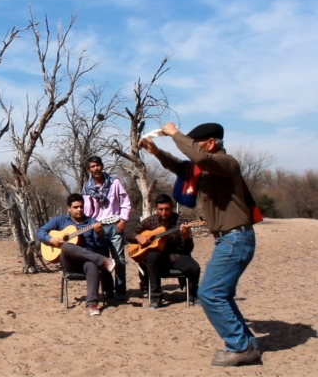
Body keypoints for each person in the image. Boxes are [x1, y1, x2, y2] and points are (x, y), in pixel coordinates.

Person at [140, 122, 262, 367]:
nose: (194, 147)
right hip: (229, 239)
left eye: (198, 143)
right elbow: (181, 166)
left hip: (235, 238)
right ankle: (247, 344)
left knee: (209, 294)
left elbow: (198, 157)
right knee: (221, 295)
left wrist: (175, 134)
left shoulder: (227, 163)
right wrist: (157, 153)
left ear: (211, 143)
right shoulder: (205, 170)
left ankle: (239, 347)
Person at [37, 193, 116, 316]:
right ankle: (103, 261)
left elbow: (101, 245)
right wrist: (51, 240)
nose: (79, 209)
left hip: (87, 260)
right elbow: (40, 232)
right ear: (69, 208)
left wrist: (99, 233)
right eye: (76, 207)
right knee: (67, 246)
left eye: (81, 207)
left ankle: (92, 304)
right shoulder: (60, 221)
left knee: (91, 265)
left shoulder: (92, 222)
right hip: (68, 261)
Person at [128, 193, 201, 309]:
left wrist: (185, 236)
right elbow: (129, 233)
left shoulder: (181, 221)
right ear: (156, 209)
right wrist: (138, 237)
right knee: (152, 257)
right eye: (160, 209)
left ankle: (193, 294)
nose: (163, 212)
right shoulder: (150, 221)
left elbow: (188, 249)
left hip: (176, 256)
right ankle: (156, 296)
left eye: (167, 209)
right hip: (158, 257)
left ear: (172, 208)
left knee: (194, 267)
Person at [81, 156, 132, 300]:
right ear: (89, 169)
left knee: (119, 260)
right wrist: (91, 227)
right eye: (92, 166)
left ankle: (121, 292)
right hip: (98, 228)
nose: (96, 169)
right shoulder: (86, 188)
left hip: (115, 226)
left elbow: (125, 203)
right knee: (103, 261)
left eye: (98, 165)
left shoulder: (114, 183)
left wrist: (123, 221)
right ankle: (109, 292)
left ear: (102, 166)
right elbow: (87, 211)